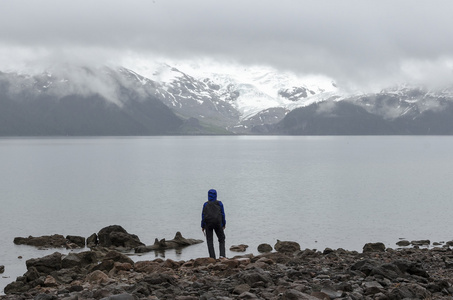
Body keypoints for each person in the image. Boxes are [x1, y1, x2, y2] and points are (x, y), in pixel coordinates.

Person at [201, 189, 226, 259]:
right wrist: (223, 224)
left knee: (209, 241)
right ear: (216, 195)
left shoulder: (205, 204)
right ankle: (222, 256)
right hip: (218, 223)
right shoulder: (219, 203)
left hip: (208, 224)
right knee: (221, 239)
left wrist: (202, 226)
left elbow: (203, 216)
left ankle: (212, 257)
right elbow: (223, 214)